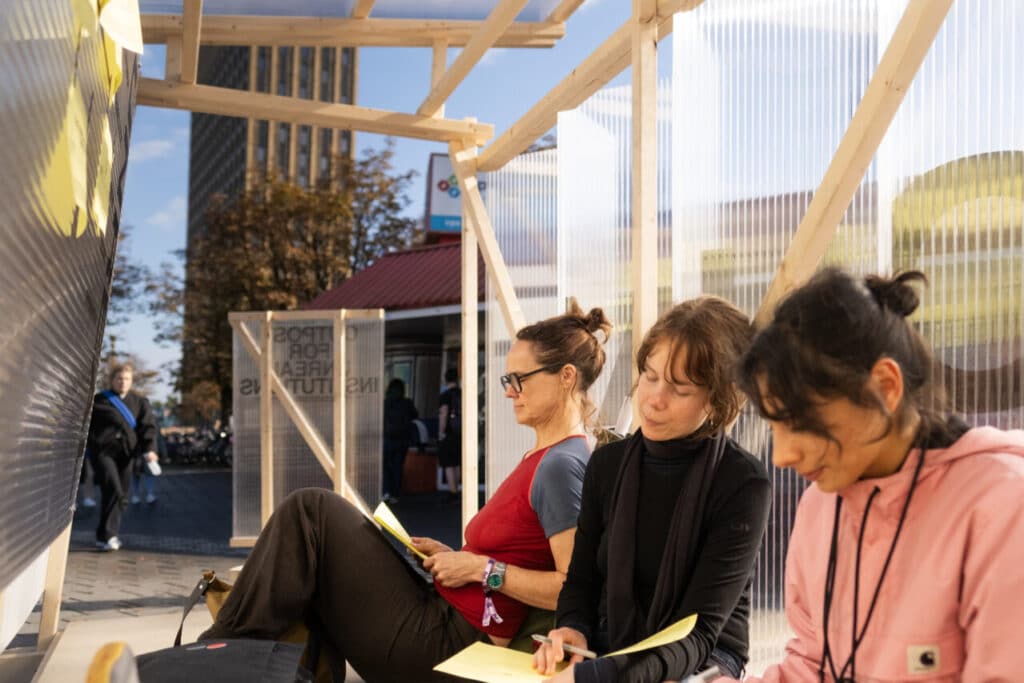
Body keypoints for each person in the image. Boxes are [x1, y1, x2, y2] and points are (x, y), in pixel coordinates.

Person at [200, 302, 613, 682]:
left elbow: (572, 585)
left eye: (519, 379)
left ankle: (211, 657)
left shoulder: (560, 464)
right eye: (507, 379)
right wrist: (457, 558)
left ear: (566, 377)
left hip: (450, 643)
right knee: (313, 542)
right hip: (446, 615)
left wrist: (480, 569)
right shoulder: (550, 456)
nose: (508, 391)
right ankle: (225, 657)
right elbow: (518, 550)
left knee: (310, 513)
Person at [724, 269, 1024, 682]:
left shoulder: (1003, 506)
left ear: (885, 385)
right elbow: (812, 666)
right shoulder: (820, 505)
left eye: (800, 421)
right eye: (774, 426)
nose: (782, 455)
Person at [535, 296, 771, 682]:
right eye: (650, 375)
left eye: (680, 390)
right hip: (613, 651)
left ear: (719, 398)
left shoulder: (742, 483)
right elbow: (580, 582)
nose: (655, 400)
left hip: (704, 660)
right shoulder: (607, 465)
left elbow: (699, 634)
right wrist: (572, 629)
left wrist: (599, 677)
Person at [86, 363, 159, 551]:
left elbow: (148, 428)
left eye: (126, 379)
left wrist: (150, 450)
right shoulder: (99, 401)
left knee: (118, 494)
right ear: (112, 380)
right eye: (119, 378)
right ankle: (108, 535)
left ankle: (106, 535)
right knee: (114, 488)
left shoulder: (140, 402)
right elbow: (87, 426)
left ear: (132, 381)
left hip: (127, 455)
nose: (123, 382)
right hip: (103, 454)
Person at [382, 378, 418, 504]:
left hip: (387, 439)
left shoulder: (386, 403)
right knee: (398, 467)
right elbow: (415, 415)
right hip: (402, 440)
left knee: (386, 467)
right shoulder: (407, 403)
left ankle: (386, 491)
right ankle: (395, 494)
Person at [437, 366, 462, 502]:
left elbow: (444, 413)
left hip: (449, 432)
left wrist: (441, 432)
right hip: (461, 433)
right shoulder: (463, 393)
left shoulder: (445, 395)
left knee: (448, 463)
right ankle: (456, 488)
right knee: (457, 462)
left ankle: (453, 492)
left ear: (445, 379)